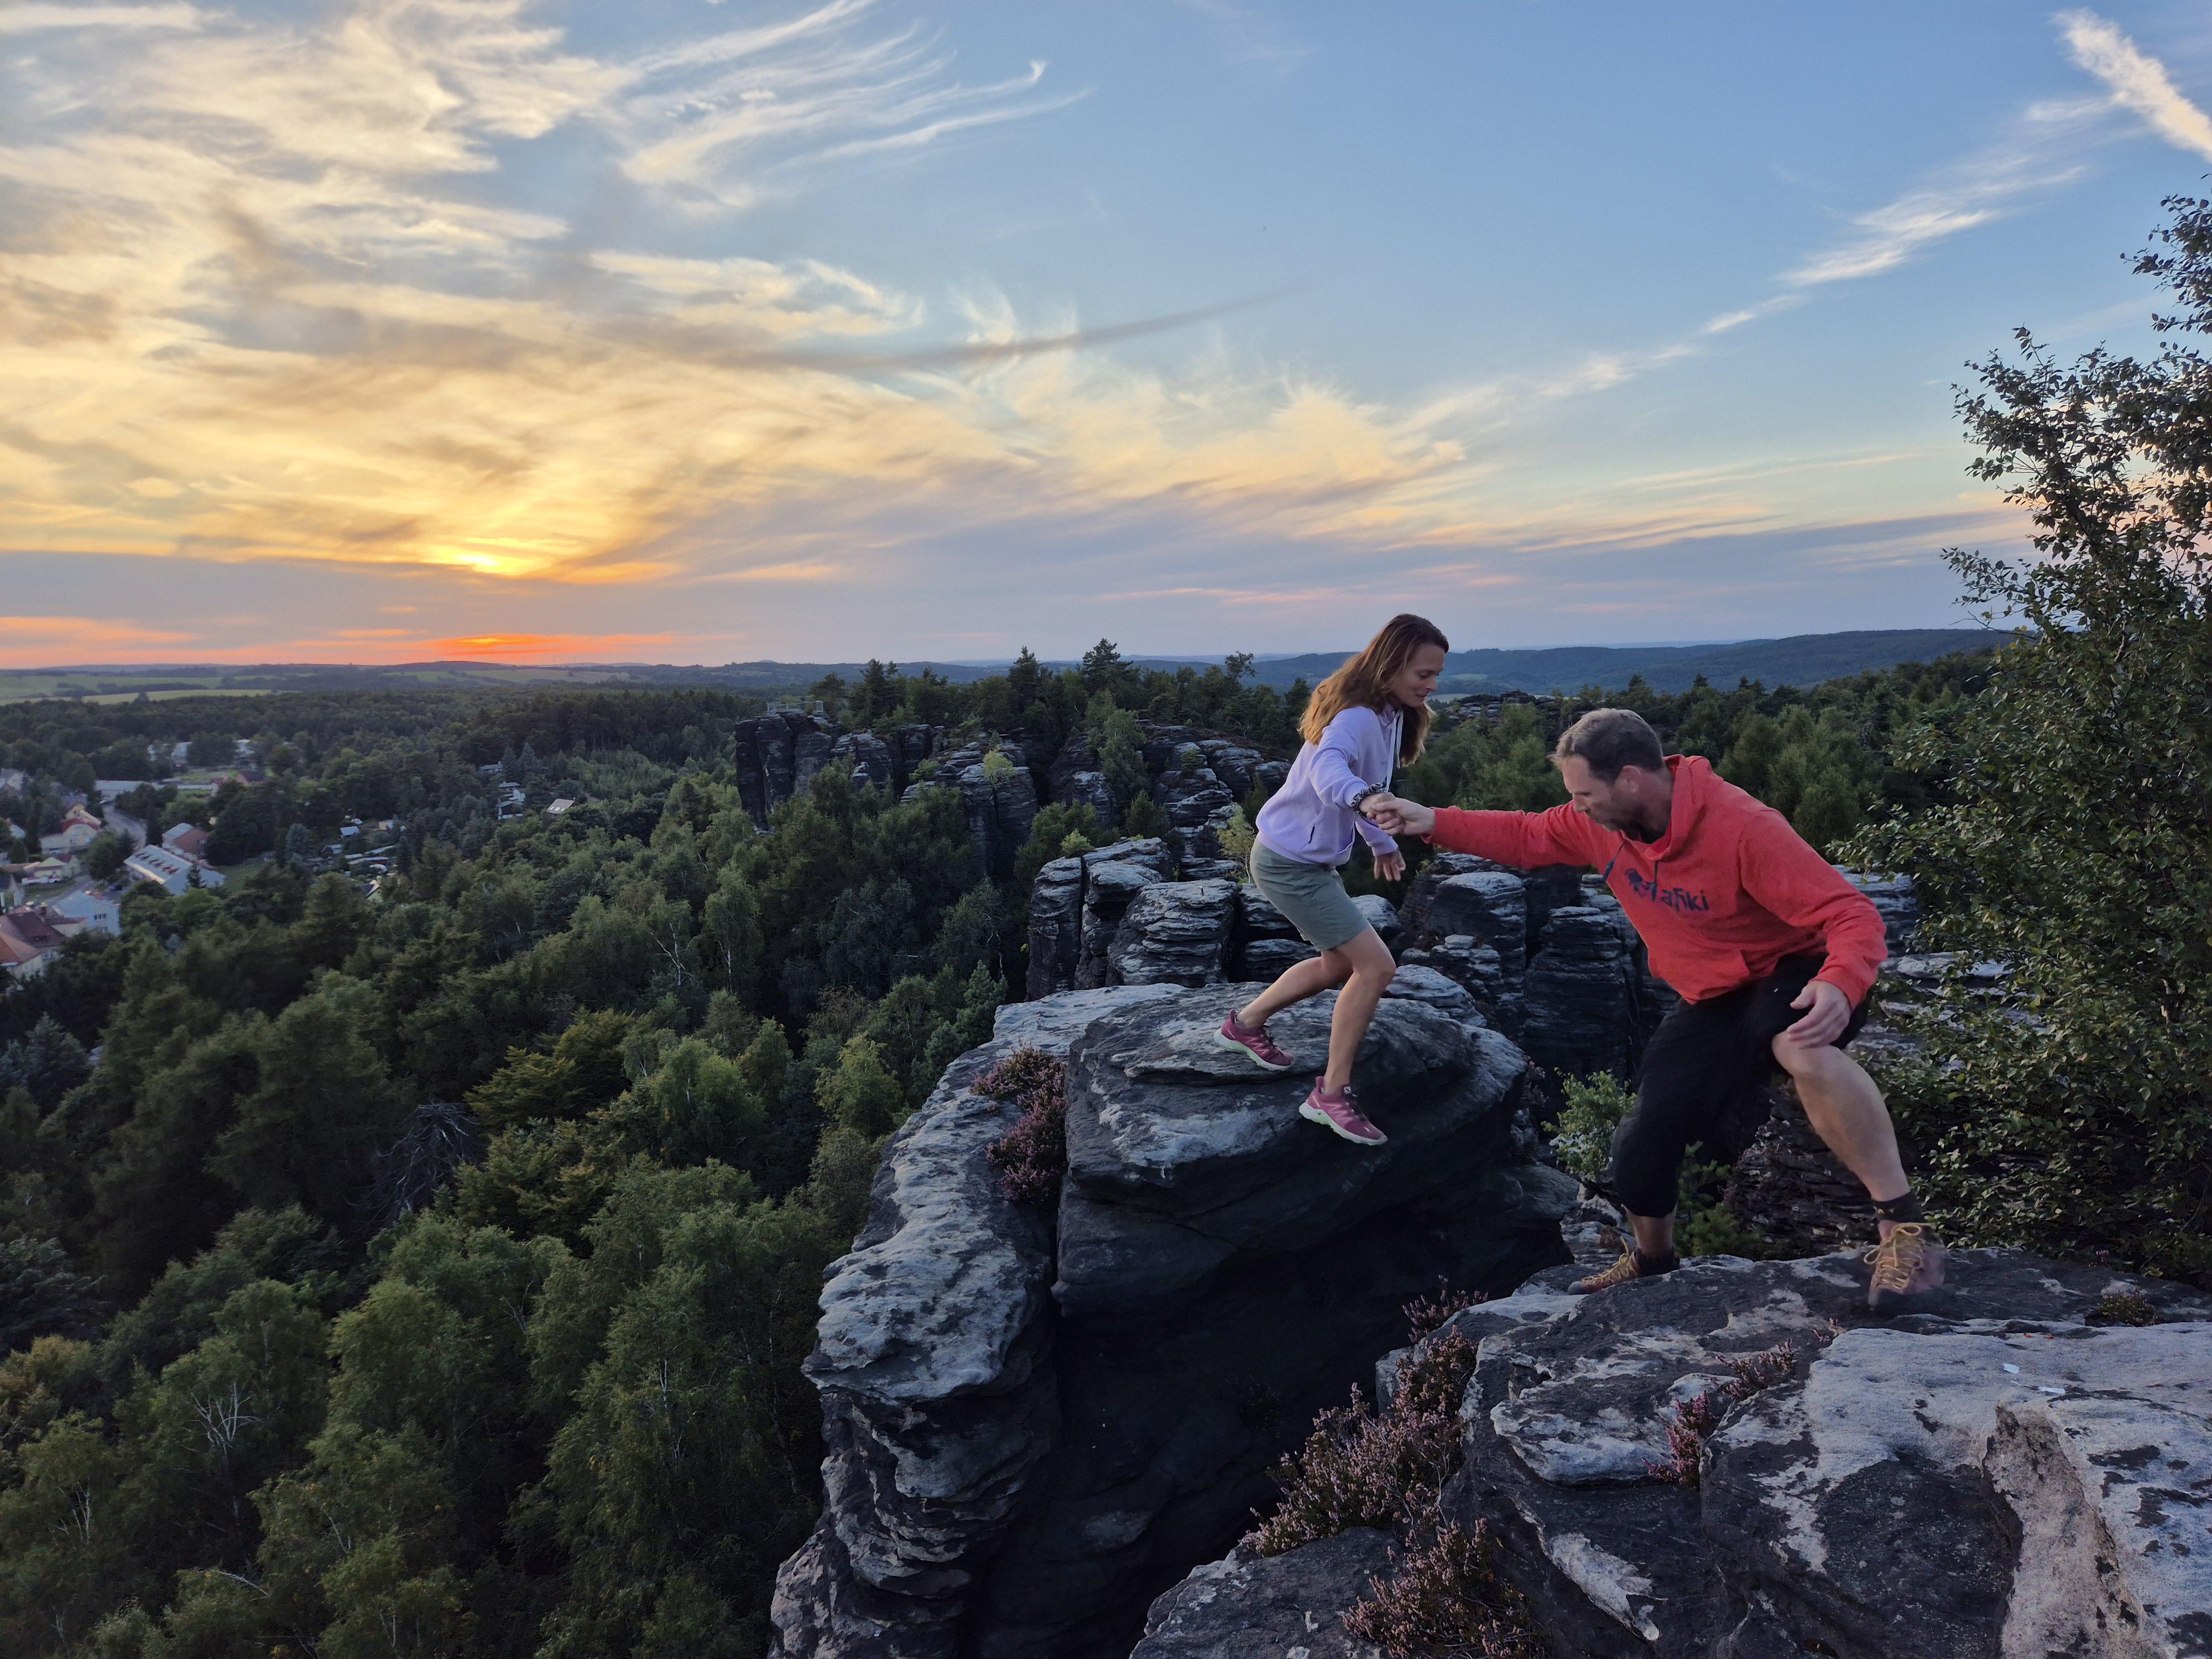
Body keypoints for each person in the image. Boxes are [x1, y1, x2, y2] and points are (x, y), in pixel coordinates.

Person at [1363, 707, 1943, 1312]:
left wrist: (1840, 982)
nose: (1577, 805)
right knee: (1643, 1141)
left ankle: (1903, 1234)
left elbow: (1850, 913)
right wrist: (1430, 821)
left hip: (1796, 969)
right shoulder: (1600, 823)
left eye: (1585, 793)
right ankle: (1653, 1260)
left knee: (1797, 1044)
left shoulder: (1742, 826)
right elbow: (1528, 834)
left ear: (1632, 780)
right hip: (1714, 996)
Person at [1215, 613, 1449, 1145]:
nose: (1432, 685)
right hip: (1288, 864)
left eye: (1436, 675)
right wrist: (1366, 802)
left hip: (1301, 860)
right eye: (1423, 674)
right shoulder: (1358, 718)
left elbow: (1366, 783)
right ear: (1391, 664)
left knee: (1338, 964)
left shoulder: (1388, 714)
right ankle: (1332, 1093)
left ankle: (1244, 1026)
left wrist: (1382, 842)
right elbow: (1332, 775)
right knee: (1375, 968)